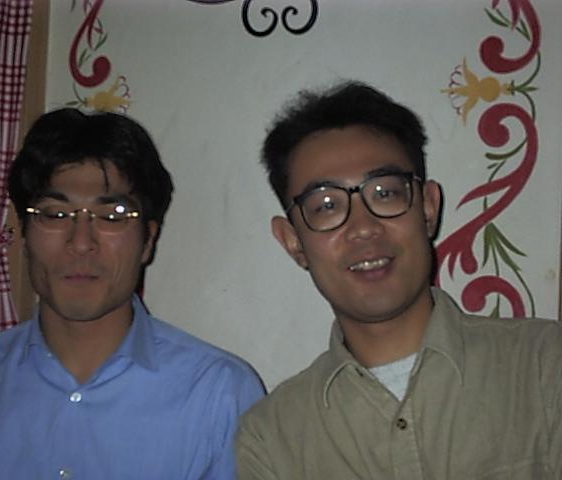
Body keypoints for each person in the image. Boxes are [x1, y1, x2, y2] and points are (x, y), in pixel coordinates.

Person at [236, 81, 562, 479]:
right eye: (326, 205)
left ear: (428, 208)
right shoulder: (272, 440)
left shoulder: (545, 366)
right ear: (293, 242)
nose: (363, 227)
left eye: (385, 193)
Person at [0, 108, 265, 479]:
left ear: (148, 240)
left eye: (113, 215)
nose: (81, 242)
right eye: (55, 214)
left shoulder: (219, 393)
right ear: (23, 232)